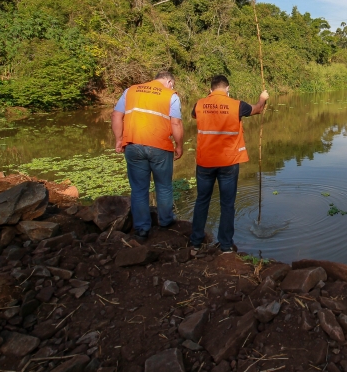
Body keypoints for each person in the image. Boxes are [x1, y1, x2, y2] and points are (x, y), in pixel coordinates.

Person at [190, 75, 268, 252]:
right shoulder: (237, 105)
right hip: (228, 162)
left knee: (202, 200)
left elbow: (194, 115)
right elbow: (257, 109)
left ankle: (195, 241)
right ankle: (225, 245)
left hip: (205, 162)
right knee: (227, 204)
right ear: (227, 89)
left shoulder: (199, 104)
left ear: (210, 90)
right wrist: (262, 98)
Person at [111, 71, 183, 240]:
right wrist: (179, 145)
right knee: (163, 186)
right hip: (160, 146)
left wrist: (118, 139)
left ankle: (142, 229)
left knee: (138, 189)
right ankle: (165, 222)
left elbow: (116, 115)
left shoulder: (131, 91)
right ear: (169, 81)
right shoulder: (170, 95)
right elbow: (176, 122)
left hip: (133, 144)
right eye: (172, 84)